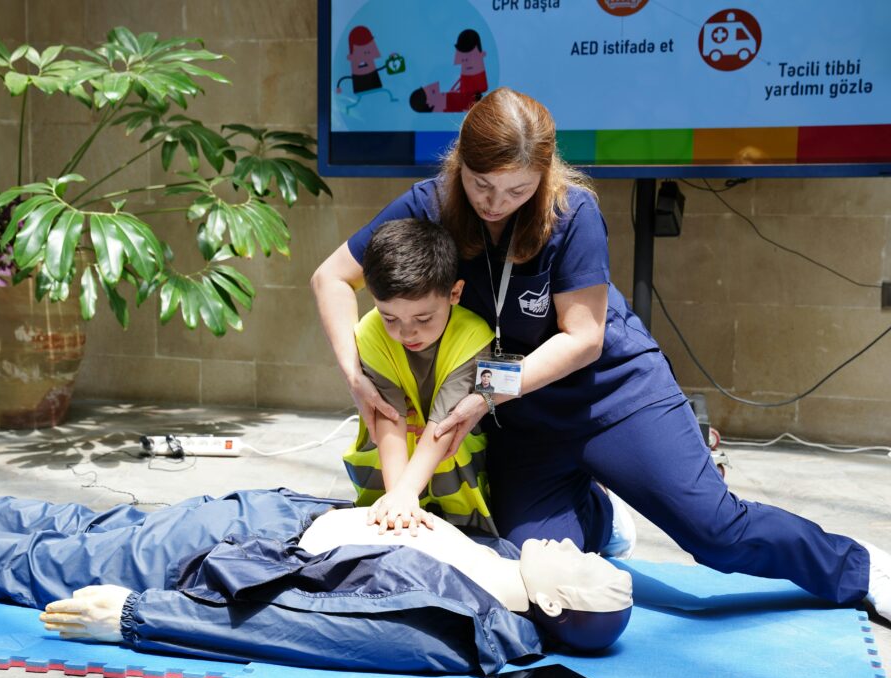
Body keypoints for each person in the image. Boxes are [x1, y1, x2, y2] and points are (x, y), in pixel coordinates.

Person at [311, 86, 891, 618]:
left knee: (715, 533)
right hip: (521, 418)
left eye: (518, 188)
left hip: (610, 393)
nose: (496, 202)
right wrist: (354, 373)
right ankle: (602, 514)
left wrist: (483, 392)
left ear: (544, 173)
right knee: (534, 569)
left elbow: (583, 339)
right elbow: (331, 278)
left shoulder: (573, 212)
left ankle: (858, 567)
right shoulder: (430, 202)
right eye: (481, 184)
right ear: (459, 161)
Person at [0, 457, 632, 675]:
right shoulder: (507, 565)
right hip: (279, 515)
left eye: (587, 568)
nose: (574, 549)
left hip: (245, 562)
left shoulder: (451, 629)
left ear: (559, 608)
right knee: (114, 527)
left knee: (81, 560)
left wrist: (139, 619)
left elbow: (300, 629)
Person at [345, 218, 498, 535]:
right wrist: (397, 499)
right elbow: (388, 414)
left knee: (467, 533)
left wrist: (404, 493)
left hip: (450, 452)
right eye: (390, 317)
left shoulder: (474, 336)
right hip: (397, 455)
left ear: (455, 293)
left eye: (423, 318)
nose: (406, 332)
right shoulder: (370, 332)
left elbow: (446, 422)